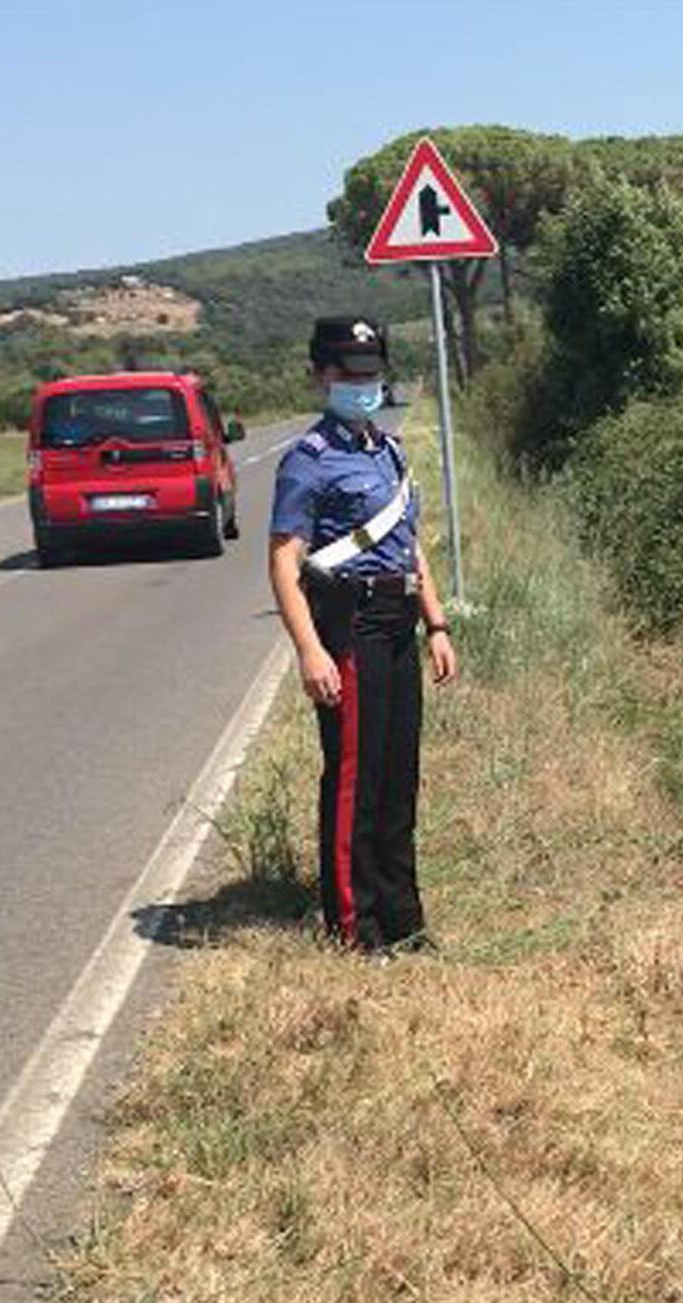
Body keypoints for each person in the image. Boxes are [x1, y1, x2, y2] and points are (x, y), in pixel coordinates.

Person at [267, 315, 459, 952]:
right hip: (348, 629)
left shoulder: (389, 451)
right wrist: (309, 649)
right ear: (322, 376)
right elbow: (284, 561)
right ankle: (356, 928)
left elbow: (411, 549)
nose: (364, 384)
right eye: (350, 374)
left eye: (372, 373)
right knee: (355, 779)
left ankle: (404, 920)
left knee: (397, 777)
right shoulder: (308, 462)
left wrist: (436, 623)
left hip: (399, 622)